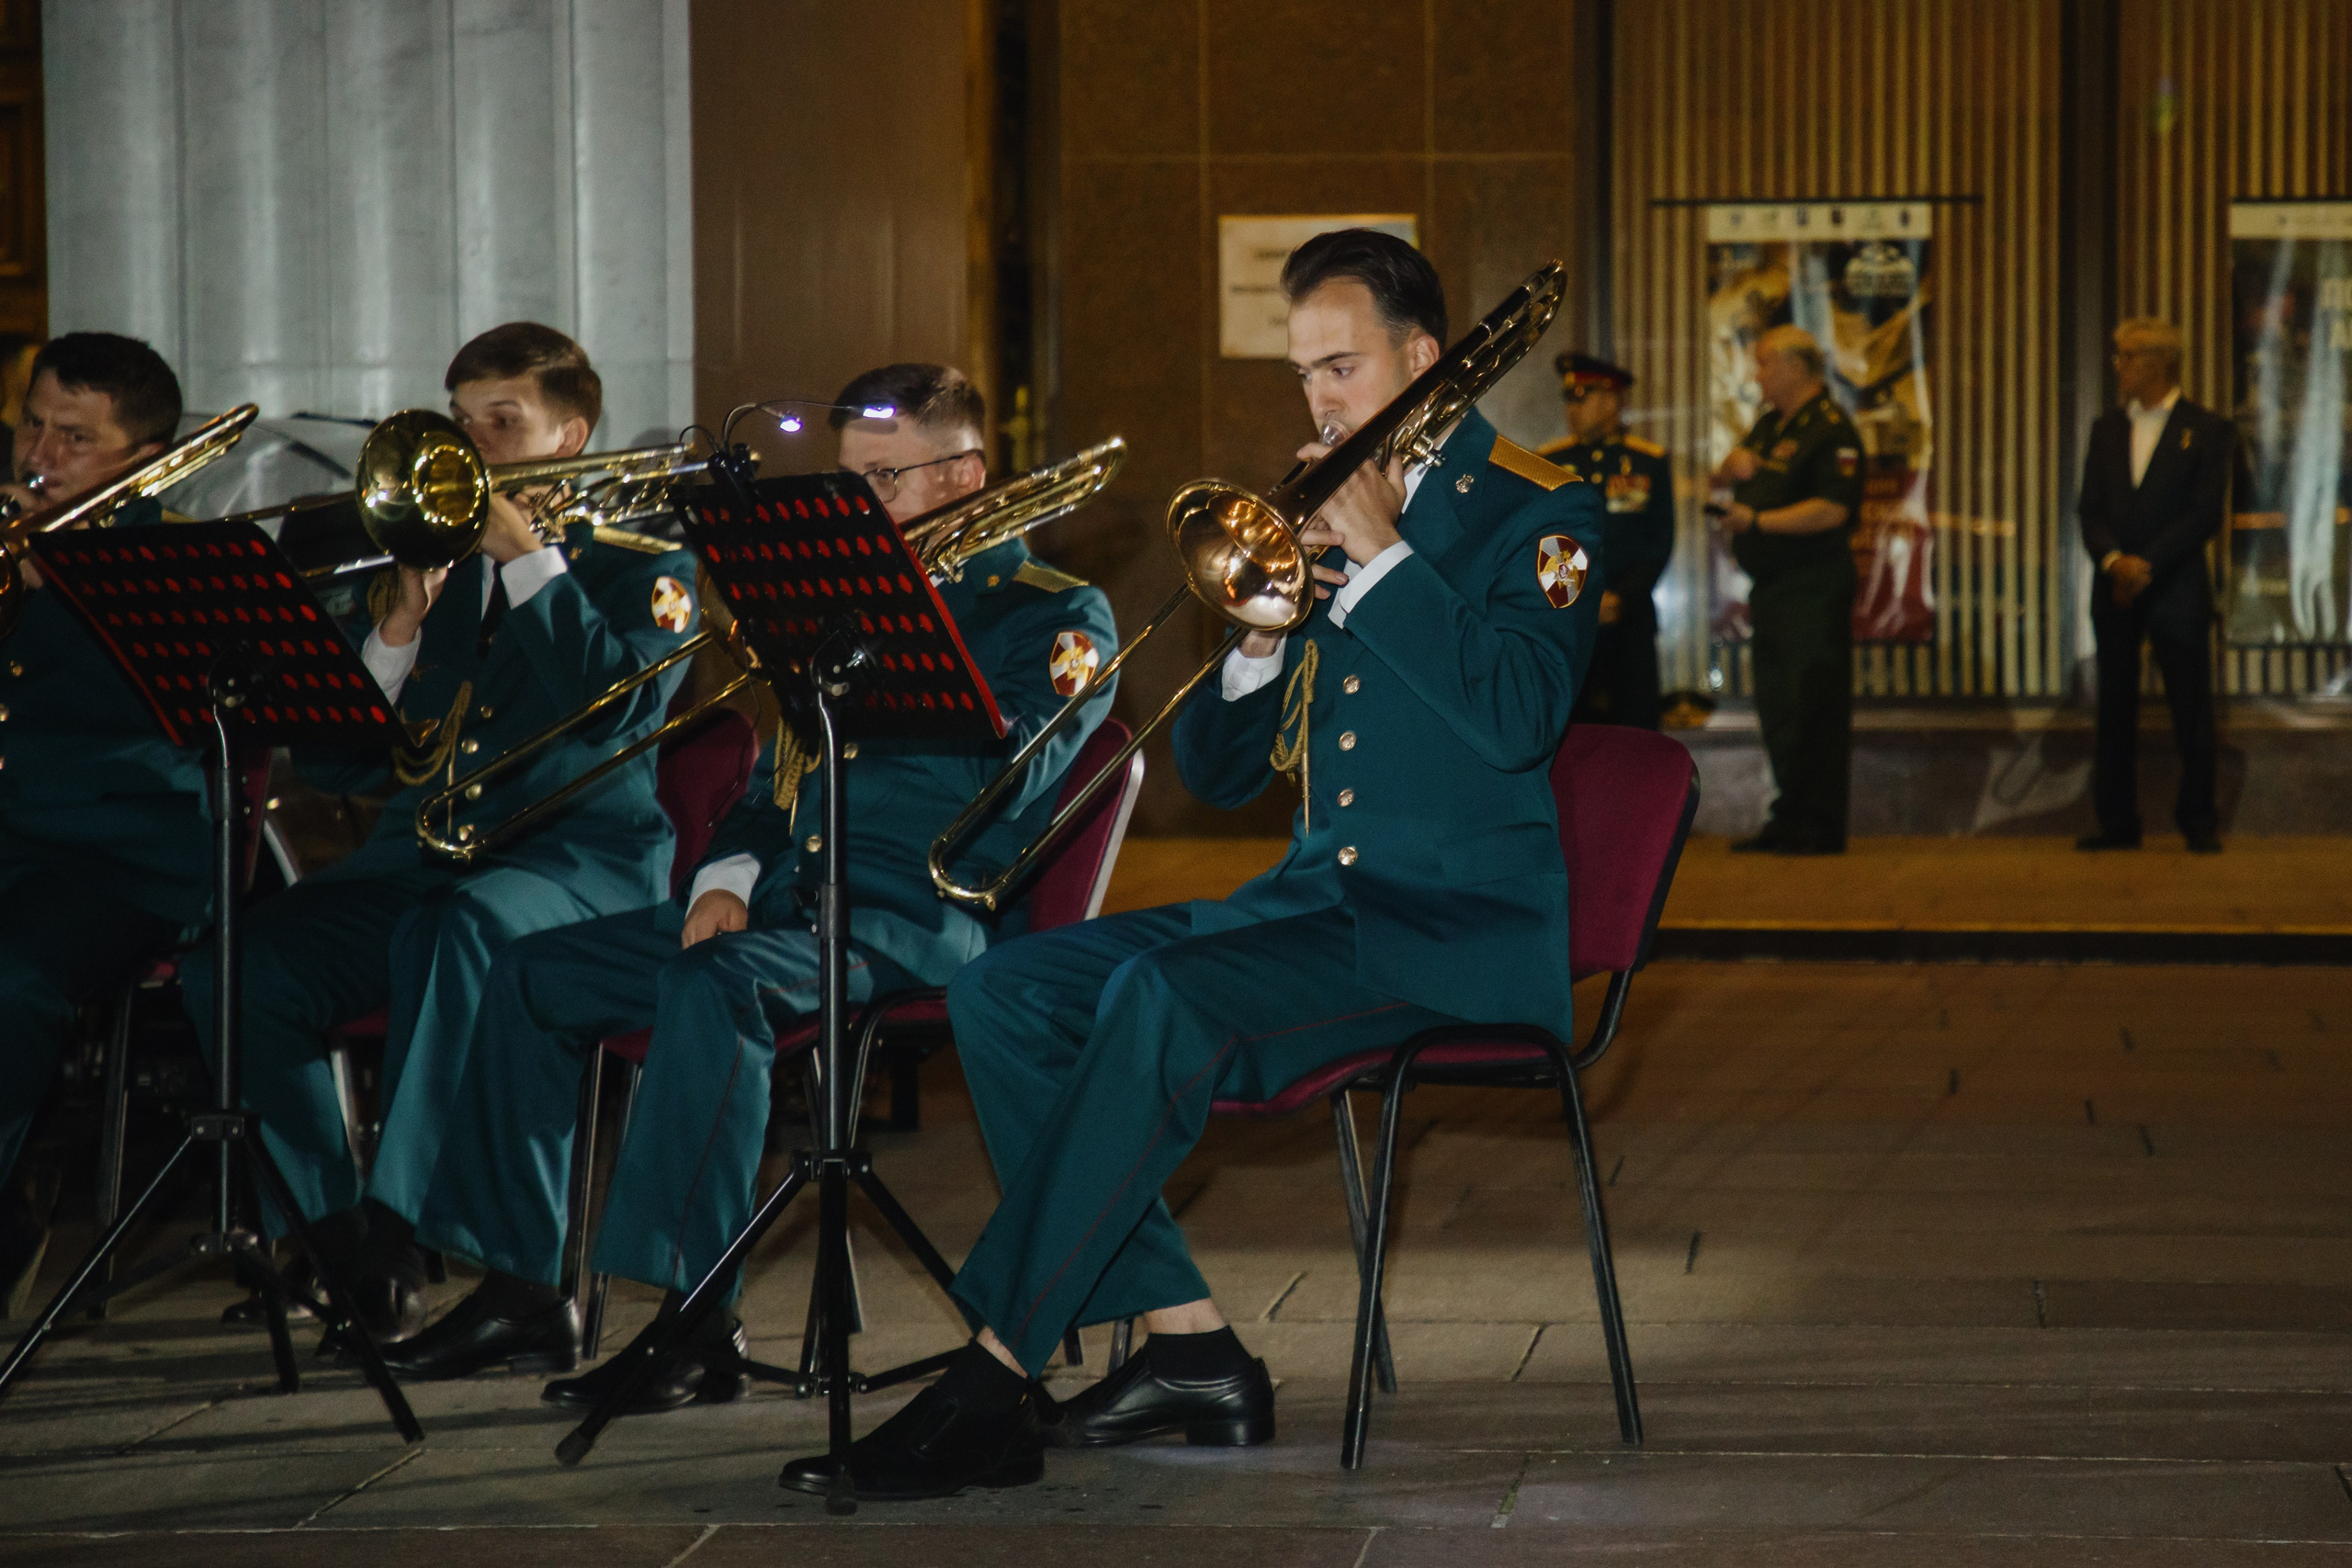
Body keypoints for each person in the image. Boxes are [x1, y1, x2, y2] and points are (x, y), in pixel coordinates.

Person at [770, 229, 1607, 1503]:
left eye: (1342, 365)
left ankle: (991, 1374)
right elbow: (1217, 772)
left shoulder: (1535, 509)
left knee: (1160, 999)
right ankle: (1188, 1342)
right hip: (1321, 903)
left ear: (1425, 358)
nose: (1318, 399)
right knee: (1010, 991)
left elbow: (1517, 718)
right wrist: (1264, 628)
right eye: (1303, 374)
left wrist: (1382, 559)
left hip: (1457, 925)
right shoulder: (1324, 506)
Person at [387, 363, 1120, 1400]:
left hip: (915, 916)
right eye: (845, 485)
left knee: (713, 986)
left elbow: (997, 777)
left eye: (883, 484)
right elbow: (779, 781)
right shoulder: (828, 604)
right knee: (533, 972)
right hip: (784, 903)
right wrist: (721, 878)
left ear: (963, 476)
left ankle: (695, 1325)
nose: (853, 511)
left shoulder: (1049, 614)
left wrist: (896, 628)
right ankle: (520, 1291)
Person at [181, 322, 702, 1340]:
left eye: (503, 423)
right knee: (237, 965)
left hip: (576, 865)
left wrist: (527, 560)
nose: (474, 446)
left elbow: (615, 714)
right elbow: (334, 766)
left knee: (456, 931)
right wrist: (395, 633)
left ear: (570, 434)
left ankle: (401, 1229)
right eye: (462, 423)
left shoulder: (648, 568)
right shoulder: (425, 567)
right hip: (419, 864)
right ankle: (333, 1238)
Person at [0, 333, 202, 1313]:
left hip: (118, 857)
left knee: (10, 976)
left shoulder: (180, 566)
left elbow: (158, 716)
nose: (39, 452)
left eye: (74, 437)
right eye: (32, 423)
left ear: (142, 454)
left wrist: (60, 592)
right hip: (13, 839)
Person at [2076, 317, 2232, 854]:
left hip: (2177, 586)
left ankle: (2198, 820)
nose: (2119, 365)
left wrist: (2148, 564)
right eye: (2118, 356)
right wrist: (2115, 560)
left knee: (2191, 707)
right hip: (2115, 586)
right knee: (2114, 709)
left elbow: (2203, 514)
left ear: (2162, 360)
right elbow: (2089, 511)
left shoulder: (2208, 429)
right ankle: (2117, 823)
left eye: (2129, 356)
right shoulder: (2107, 428)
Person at [1712, 324, 1863, 854]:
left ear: (1795, 367)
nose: (1757, 375)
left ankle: (1817, 822)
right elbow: (1722, 476)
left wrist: (1757, 521)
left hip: (1813, 587)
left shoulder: (1831, 429)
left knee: (1811, 704)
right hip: (1774, 589)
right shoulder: (1771, 426)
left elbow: (1832, 509)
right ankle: (1790, 814)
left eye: (1764, 364)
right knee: (1780, 705)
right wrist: (1730, 465)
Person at [1541, 352, 1674, 729]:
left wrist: (1621, 597)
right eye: (1569, 399)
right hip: (1569, 620)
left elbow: (1658, 541)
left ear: (1612, 399)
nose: (1573, 408)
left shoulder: (1648, 461)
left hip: (1629, 617)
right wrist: (1577, 599)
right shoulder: (1548, 463)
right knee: (1573, 735)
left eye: (1582, 397)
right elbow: (1545, 541)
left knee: (1635, 732)